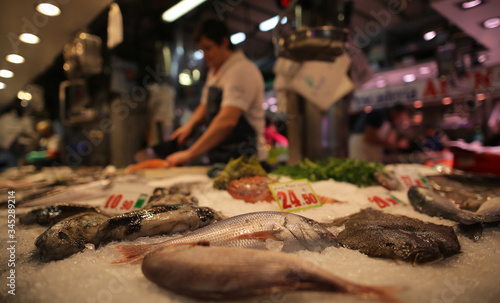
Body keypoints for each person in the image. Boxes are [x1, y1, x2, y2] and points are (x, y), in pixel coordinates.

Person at [165, 19, 267, 166]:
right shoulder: (214, 72)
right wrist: (189, 127)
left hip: (247, 161)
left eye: (208, 48)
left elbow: (227, 120)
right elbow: (205, 105)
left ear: (224, 42)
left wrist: (190, 153)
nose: (205, 55)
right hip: (223, 159)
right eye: (202, 50)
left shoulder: (240, 70)